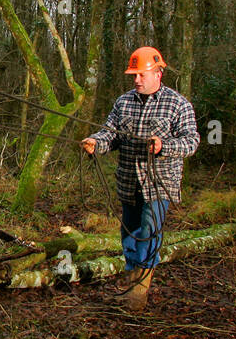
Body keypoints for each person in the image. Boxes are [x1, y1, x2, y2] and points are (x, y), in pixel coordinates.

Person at [81, 46, 199, 310]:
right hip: (128, 182)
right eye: (133, 75)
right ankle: (132, 280)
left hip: (159, 184)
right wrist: (95, 143)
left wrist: (163, 146)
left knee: (148, 233)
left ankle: (139, 293)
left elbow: (191, 142)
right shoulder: (123, 102)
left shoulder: (178, 104)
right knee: (130, 237)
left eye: (141, 75)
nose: (136, 80)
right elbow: (110, 134)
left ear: (158, 73)